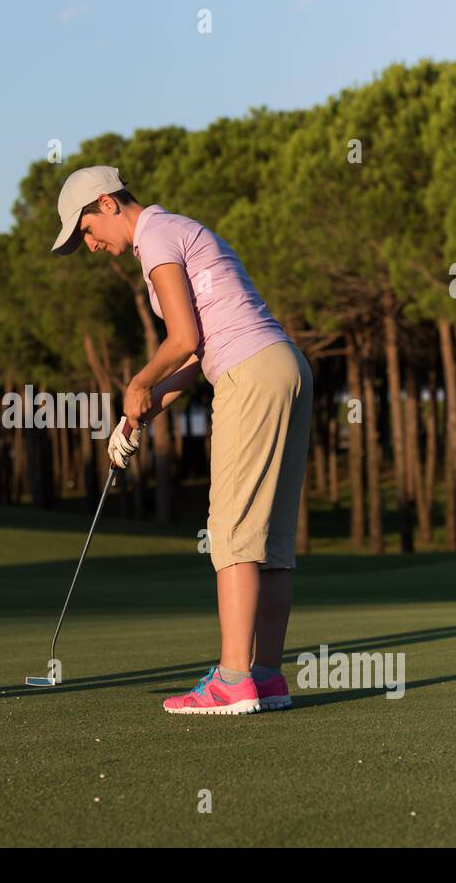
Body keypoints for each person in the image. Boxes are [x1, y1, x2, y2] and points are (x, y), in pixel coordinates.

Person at [51, 165, 313, 715]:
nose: (92, 247)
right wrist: (138, 418)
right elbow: (194, 358)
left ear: (106, 203)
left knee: (234, 533)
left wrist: (138, 381)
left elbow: (183, 338)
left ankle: (234, 680)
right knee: (272, 542)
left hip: (248, 372)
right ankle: (266, 676)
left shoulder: (156, 237)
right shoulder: (179, 231)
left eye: (87, 232)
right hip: (285, 367)